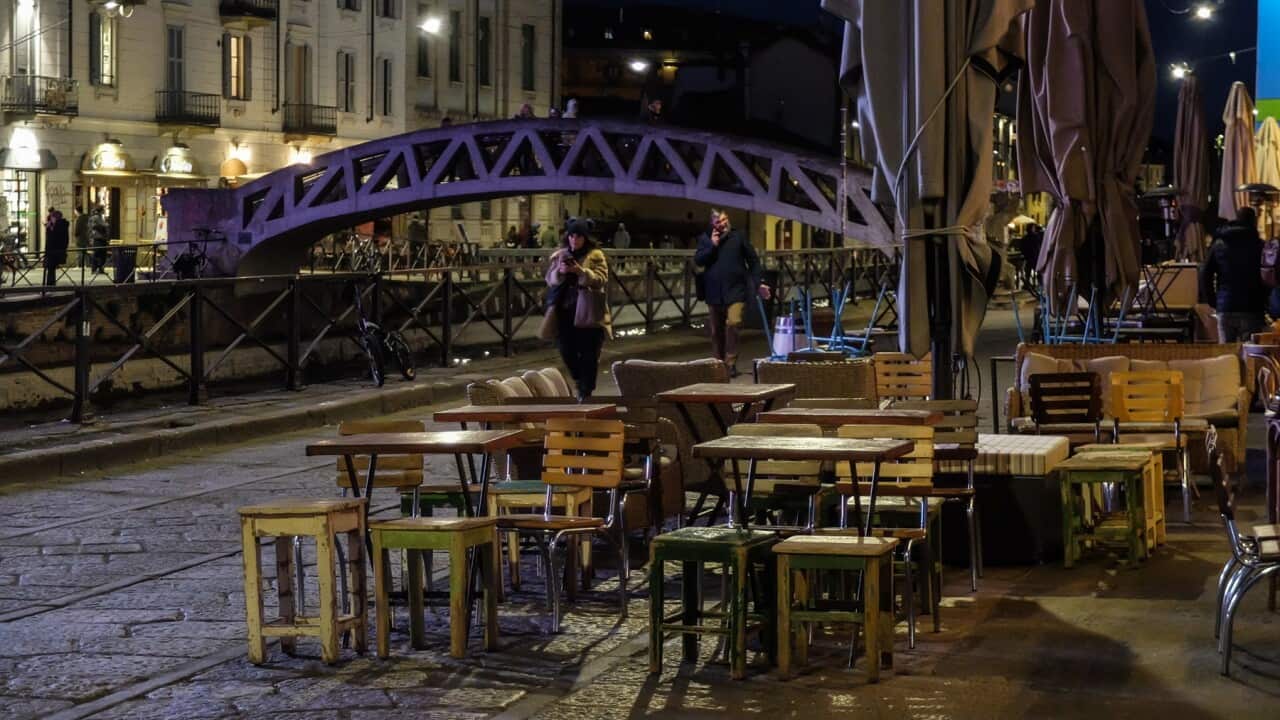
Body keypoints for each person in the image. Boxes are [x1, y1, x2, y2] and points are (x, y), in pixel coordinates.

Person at [694, 209, 770, 376]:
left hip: (736, 290)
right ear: (712, 224)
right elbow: (698, 260)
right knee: (716, 331)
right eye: (718, 222)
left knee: (733, 323)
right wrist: (712, 246)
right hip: (713, 292)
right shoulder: (706, 238)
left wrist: (760, 283)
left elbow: (753, 261)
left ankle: (730, 362)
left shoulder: (738, 236)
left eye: (724, 219)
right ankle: (719, 364)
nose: (723, 223)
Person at [546, 218, 611, 400]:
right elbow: (550, 279)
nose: (575, 240)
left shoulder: (596, 255)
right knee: (566, 349)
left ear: (585, 238)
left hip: (588, 310)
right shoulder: (561, 255)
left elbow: (601, 279)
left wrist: (581, 272)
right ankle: (578, 379)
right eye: (572, 236)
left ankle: (585, 390)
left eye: (579, 236)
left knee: (589, 353)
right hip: (565, 310)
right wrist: (560, 271)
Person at [1201, 206, 1266, 341]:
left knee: (1226, 355)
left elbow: (1205, 273)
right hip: (1251, 307)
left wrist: (1213, 301)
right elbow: (1266, 275)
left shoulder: (1219, 243)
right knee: (1250, 355)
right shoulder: (1259, 245)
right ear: (1253, 222)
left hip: (1225, 306)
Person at [43, 209, 69, 287]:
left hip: (54, 250)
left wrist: (50, 229)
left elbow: (53, 238)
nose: (51, 219)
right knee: (51, 268)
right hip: (55, 250)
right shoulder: (60, 225)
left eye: (52, 218)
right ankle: (51, 284)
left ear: (55, 218)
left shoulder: (59, 226)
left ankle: (50, 285)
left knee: (51, 268)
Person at [88, 206, 109, 274]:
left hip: (101, 238)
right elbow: (94, 226)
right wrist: (105, 225)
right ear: (101, 210)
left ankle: (99, 269)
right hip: (98, 238)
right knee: (98, 254)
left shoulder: (99, 217)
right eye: (103, 209)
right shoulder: (96, 217)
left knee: (102, 254)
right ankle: (95, 269)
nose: (104, 211)